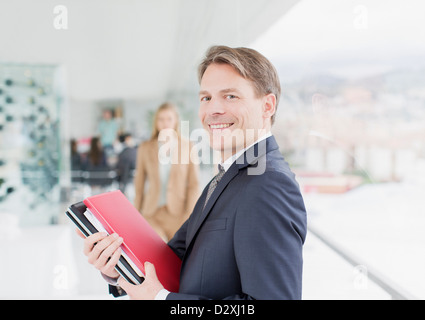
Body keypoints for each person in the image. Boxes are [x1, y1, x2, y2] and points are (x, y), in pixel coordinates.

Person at [78, 46, 307, 300]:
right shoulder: (227, 176)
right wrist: (116, 266)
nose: (213, 110)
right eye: (206, 98)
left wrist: (162, 300)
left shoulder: (269, 183)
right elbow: (174, 259)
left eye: (230, 96)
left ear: (267, 106)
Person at [133, 102, 200, 240]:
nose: (165, 123)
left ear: (176, 121)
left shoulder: (188, 146)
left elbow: (194, 184)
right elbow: (139, 184)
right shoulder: (145, 148)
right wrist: (135, 214)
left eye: (169, 119)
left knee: (176, 256)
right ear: (156, 122)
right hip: (151, 213)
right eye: (161, 119)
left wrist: (190, 215)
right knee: (157, 251)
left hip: (179, 214)